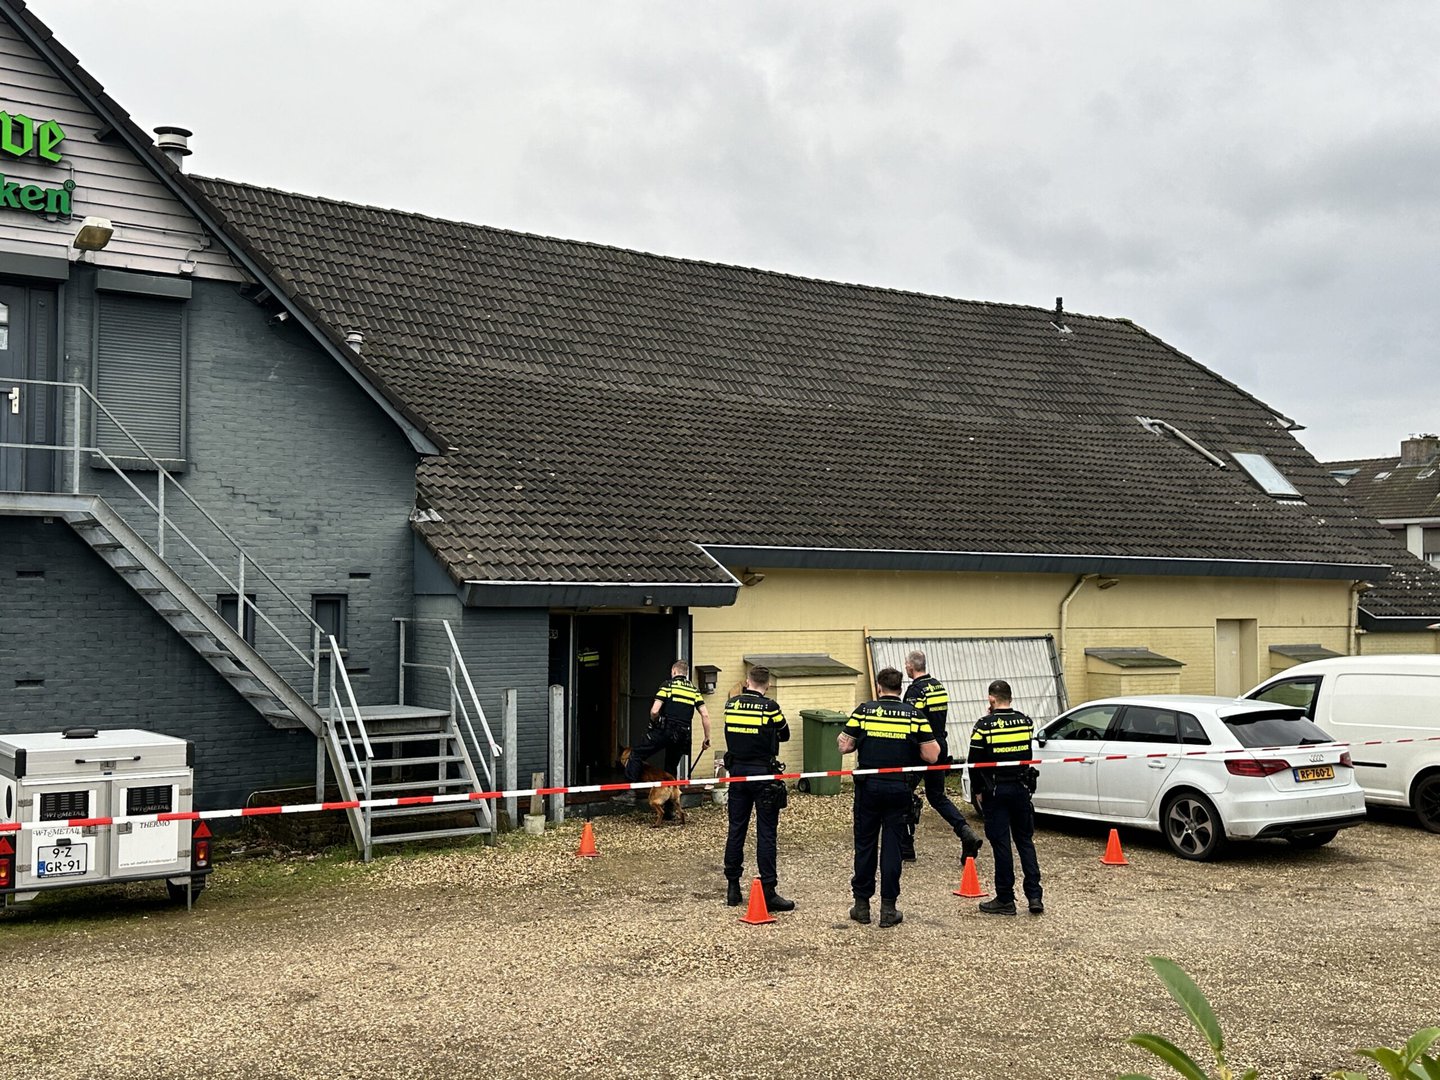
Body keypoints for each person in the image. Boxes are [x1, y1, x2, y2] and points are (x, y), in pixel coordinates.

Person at [838, 667, 940, 928]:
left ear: (879, 687)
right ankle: (888, 908)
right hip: (899, 788)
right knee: (893, 846)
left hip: (868, 788)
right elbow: (932, 755)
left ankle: (862, 906)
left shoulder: (864, 711)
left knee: (865, 845)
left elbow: (844, 746)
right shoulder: (914, 715)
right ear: (900, 688)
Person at [721, 666, 795, 912]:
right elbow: (785, 734)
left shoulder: (731, 705)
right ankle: (768, 890)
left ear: (747, 681)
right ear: (768, 684)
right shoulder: (770, 707)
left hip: (738, 774)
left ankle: (733, 887)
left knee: (736, 828)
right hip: (763, 774)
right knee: (766, 833)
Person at [900, 650, 984, 865]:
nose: (906, 667)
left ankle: (906, 846)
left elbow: (911, 722)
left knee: (903, 793)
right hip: (940, 744)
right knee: (937, 796)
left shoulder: (915, 691)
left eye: (906, 664)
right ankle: (965, 832)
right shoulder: (938, 686)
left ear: (911, 666)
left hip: (922, 748)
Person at [967, 679, 1043, 916]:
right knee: (1025, 841)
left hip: (996, 790)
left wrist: (978, 791)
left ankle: (1005, 898)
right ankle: (1034, 896)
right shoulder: (1025, 722)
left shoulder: (984, 725)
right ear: (1010, 698)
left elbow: (974, 763)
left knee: (1001, 844)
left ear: (991, 699)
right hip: (1021, 787)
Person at [624, 659, 711, 786]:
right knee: (671, 767)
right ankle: (671, 796)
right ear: (686, 673)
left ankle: (629, 791)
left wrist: (654, 723)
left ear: (674, 671)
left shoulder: (667, 685)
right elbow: (705, 714)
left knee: (637, 754)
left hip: (665, 730)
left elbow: (654, 711)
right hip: (682, 735)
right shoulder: (694, 691)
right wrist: (706, 738)